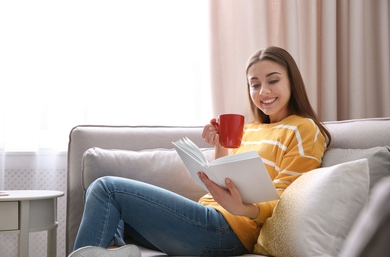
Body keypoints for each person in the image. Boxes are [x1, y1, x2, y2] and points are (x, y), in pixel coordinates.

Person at [68, 46, 331, 257]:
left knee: (106, 188)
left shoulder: (303, 129)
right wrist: (220, 146)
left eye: (273, 80)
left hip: (228, 230)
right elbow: (224, 178)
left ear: (292, 82)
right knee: (108, 208)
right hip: (209, 219)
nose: (263, 92)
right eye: (254, 84)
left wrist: (242, 208)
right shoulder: (249, 129)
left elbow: (287, 199)